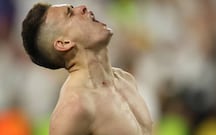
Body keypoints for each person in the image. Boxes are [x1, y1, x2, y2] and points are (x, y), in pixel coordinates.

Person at [21, 3, 153, 135]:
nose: (82, 7)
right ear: (64, 43)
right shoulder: (74, 108)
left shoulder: (126, 80)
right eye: (70, 14)